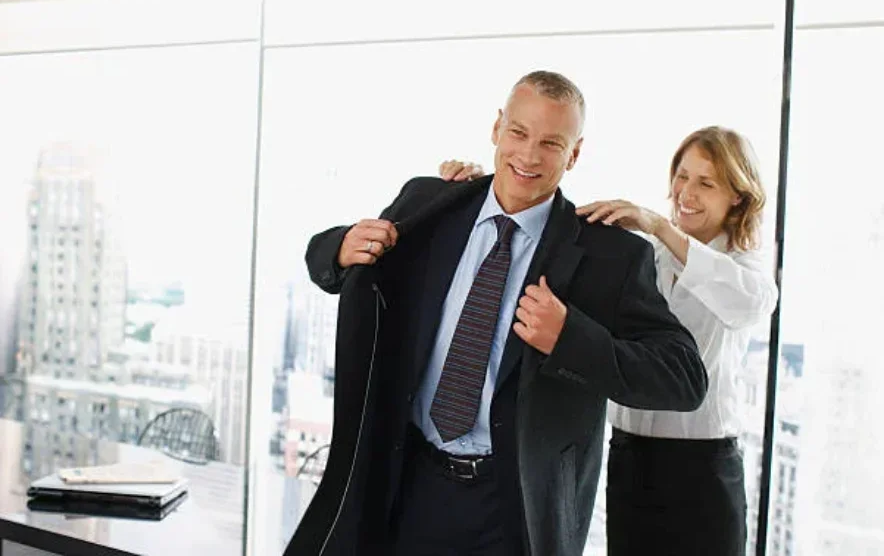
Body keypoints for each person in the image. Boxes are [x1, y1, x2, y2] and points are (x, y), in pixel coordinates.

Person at [286, 71, 707, 556]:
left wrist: (570, 337)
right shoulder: (432, 203)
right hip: (408, 484)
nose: (529, 156)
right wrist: (341, 248)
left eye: (551, 143)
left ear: (574, 154)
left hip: (514, 510)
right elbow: (327, 264)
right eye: (519, 133)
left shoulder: (610, 256)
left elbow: (685, 378)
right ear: (496, 129)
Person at [440, 125, 778, 555]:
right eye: (682, 176)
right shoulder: (643, 257)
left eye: (705, 183)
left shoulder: (743, 267)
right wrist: (483, 191)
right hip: (628, 457)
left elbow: (751, 304)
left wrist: (658, 226)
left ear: (737, 196)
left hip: (702, 469)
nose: (686, 193)